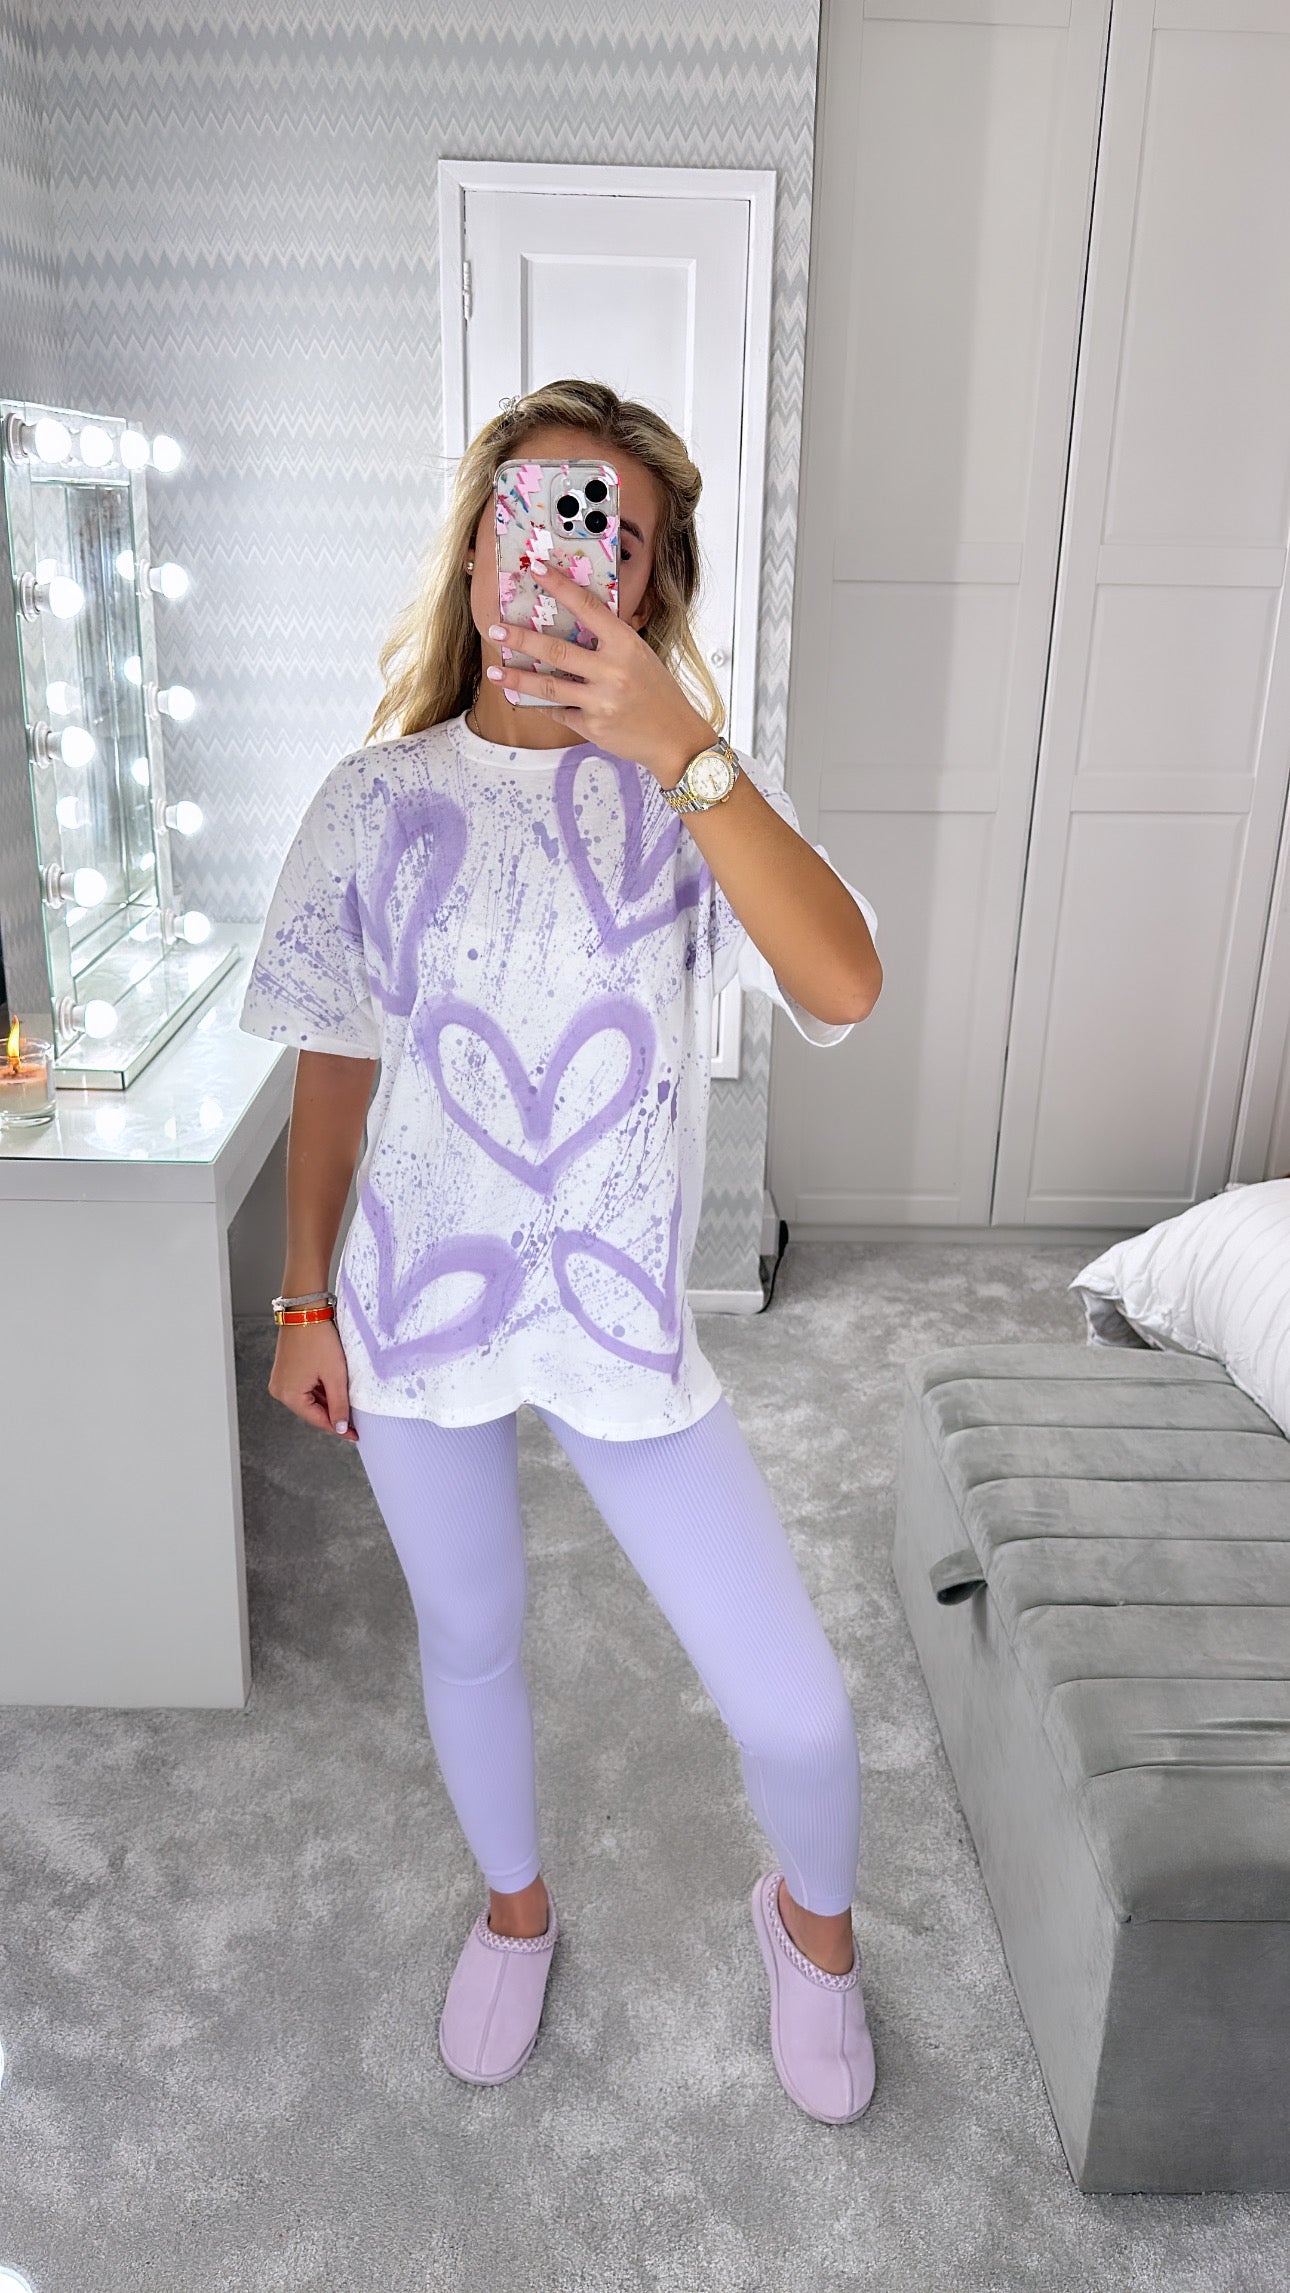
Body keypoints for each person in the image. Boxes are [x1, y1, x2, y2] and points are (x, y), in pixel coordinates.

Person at [239, 377, 883, 2124]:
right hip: (414, 1312)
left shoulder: (688, 794)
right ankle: (515, 1911)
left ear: (646, 585)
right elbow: (336, 1056)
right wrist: (302, 1295)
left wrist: (684, 748)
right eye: (527, 522)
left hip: (620, 1329)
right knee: (470, 1633)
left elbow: (841, 982)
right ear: (473, 559)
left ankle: (811, 1931)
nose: (560, 565)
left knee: (798, 1710)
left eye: (616, 541)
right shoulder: (374, 799)